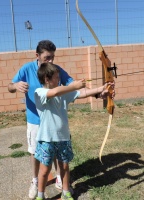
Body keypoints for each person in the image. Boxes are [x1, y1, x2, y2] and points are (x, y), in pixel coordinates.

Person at [34, 63, 115, 200]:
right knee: (44, 169)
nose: (59, 80)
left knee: (64, 166)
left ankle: (66, 192)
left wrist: (102, 88)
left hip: (63, 137)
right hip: (47, 139)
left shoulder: (63, 93)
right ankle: (40, 195)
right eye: (56, 77)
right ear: (47, 79)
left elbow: (81, 93)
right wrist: (73, 86)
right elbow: (54, 92)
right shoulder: (39, 92)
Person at [8, 40, 74, 199]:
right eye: (47, 58)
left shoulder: (55, 69)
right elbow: (10, 86)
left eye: (53, 57)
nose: (51, 61)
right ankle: (36, 181)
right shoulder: (27, 69)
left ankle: (59, 178)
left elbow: (70, 83)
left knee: (59, 150)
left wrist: (95, 91)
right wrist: (16, 86)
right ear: (37, 56)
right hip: (35, 120)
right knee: (35, 152)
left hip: (53, 121)